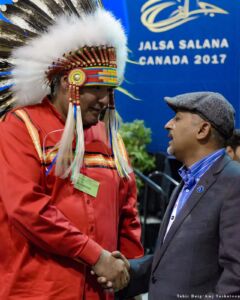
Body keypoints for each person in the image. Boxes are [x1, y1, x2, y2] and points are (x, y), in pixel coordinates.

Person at [0, 6, 143, 300]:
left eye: (110, 89)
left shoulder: (108, 137)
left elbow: (127, 210)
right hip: (38, 290)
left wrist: (127, 271)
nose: (105, 100)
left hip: (100, 292)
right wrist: (94, 255)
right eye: (97, 89)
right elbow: (27, 208)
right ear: (69, 83)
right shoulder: (21, 126)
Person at [100, 92, 240, 299]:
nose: (167, 125)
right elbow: (173, 259)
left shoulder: (234, 183)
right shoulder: (188, 180)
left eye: (177, 118)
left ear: (203, 130)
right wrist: (129, 270)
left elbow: (236, 276)